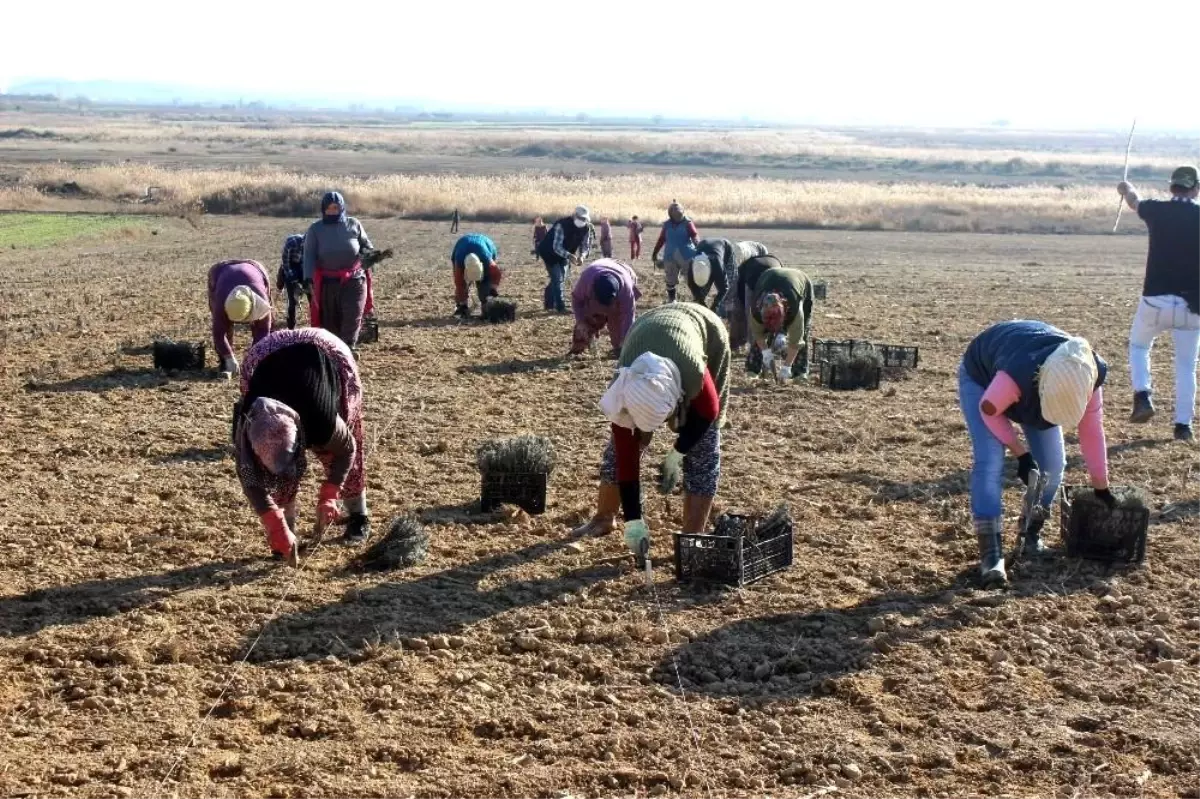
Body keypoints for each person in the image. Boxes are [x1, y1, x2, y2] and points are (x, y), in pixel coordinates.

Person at [959, 320, 1114, 587]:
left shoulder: (1088, 376)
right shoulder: (1014, 377)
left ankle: (1030, 532)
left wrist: (1101, 488)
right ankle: (991, 554)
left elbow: (1092, 434)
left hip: (1032, 392)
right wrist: (1021, 454)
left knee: (1053, 466)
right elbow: (991, 413)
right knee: (990, 462)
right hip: (983, 380)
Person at [573, 304, 731, 560]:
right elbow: (627, 459)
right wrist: (633, 522)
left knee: (703, 448)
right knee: (619, 449)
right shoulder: (623, 390)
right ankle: (604, 516)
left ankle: (692, 537)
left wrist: (676, 454)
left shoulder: (694, 373)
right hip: (649, 329)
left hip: (706, 331)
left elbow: (707, 414)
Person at [233, 327, 371, 564]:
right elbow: (250, 476)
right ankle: (286, 534)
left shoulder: (321, 419)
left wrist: (330, 492)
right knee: (278, 472)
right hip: (265, 355)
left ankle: (358, 515)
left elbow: (347, 449)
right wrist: (273, 523)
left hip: (325, 352)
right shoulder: (247, 427)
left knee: (334, 450)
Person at [1117, 165, 1200, 442]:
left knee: (1139, 346)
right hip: (1192, 306)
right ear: (1196, 189)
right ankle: (1182, 428)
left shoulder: (1155, 210)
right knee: (1186, 366)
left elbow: (1134, 201)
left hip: (1155, 300)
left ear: (1171, 187)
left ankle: (1143, 394)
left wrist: (1126, 188)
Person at [302, 191, 374, 352]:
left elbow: (366, 246)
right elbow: (309, 256)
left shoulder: (354, 224)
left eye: (335, 208)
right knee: (330, 321)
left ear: (342, 208)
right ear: (323, 210)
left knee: (352, 314)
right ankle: (333, 351)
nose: (332, 211)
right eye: (328, 208)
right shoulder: (315, 230)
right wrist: (307, 278)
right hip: (328, 282)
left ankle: (349, 348)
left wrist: (370, 255)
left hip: (354, 279)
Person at [207, 259, 274, 376]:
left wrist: (253, 358)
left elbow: (264, 330)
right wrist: (229, 357)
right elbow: (218, 333)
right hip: (220, 271)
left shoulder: (261, 297)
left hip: (255, 268)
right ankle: (225, 363)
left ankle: (261, 361)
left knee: (261, 328)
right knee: (224, 327)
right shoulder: (220, 302)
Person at [747, 265, 813, 382]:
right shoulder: (755, 310)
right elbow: (758, 336)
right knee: (758, 341)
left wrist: (786, 367)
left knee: (803, 333)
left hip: (799, 281)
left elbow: (796, 341)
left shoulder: (795, 307)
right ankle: (752, 370)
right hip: (769, 275)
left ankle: (799, 372)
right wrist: (766, 353)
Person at [570, 258, 640, 356]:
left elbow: (628, 316)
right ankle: (579, 349)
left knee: (619, 336)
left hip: (624, 271)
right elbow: (576, 300)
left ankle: (620, 349)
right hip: (598, 271)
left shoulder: (626, 291)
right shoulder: (586, 279)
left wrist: (625, 339)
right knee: (585, 324)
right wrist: (580, 320)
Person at [536, 205, 592, 313]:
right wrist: (570, 256)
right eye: (580, 218)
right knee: (558, 278)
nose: (582, 221)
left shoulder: (587, 228)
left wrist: (582, 256)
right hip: (549, 252)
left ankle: (549, 301)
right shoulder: (562, 225)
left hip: (565, 253)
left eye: (584, 219)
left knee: (562, 278)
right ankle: (560, 307)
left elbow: (585, 245)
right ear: (574, 215)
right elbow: (556, 247)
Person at [730, 253, 784, 351]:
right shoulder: (746, 268)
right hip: (776, 266)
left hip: (755, 276)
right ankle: (775, 341)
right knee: (777, 308)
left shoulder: (742, 272)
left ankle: (754, 347)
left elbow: (744, 304)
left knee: (751, 314)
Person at [650, 201, 700, 303]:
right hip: (670, 256)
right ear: (670, 213)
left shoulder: (688, 223)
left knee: (690, 278)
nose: (677, 213)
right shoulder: (667, 225)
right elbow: (661, 239)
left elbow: (695, 237)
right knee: (670, 279)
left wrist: (700, 249)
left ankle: (698, 299)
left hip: (687, 255)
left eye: (679, 211)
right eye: (674, 211)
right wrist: (655, 252)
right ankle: (672, 299)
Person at [450, 232, 503, 318]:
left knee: (485, 289)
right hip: (461, 246)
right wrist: (462, 303)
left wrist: (493, 289)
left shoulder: (488, 261)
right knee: (461, 286)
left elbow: (497, 274)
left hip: (486, 244)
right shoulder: (459, 264)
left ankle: (486, 305)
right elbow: (459, 285)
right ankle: (461, 306)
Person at [723, 240, 771, 325]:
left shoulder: (752, 255)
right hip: (743, 255)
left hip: (757, 254)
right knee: (734, 287)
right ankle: (726, 312)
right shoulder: (733, 254)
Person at [685, 238, 736, 314]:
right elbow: (692, 286)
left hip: (724, 247)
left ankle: (725, 312)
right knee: (700, 294)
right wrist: (701, 302)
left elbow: (724, 288)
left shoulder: (717, 265)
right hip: (703, 244)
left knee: (731, 282)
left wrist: (714, 306)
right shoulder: (692, 266)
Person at [276, 233, 310, 331]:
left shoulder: (313, 245)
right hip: (291, 265)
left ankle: (315, 322)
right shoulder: (291, 242)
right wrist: (294, 281)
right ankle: (291, 325)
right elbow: (285, 263)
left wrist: (307, 282)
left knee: (312, 295)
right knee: (292, 300)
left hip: (303, 266)